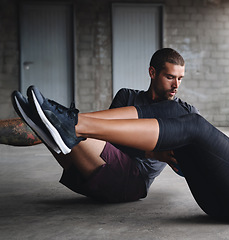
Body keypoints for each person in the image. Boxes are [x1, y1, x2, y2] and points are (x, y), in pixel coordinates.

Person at [12, 32, 229, 223]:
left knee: (191, 122)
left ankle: (71, 123)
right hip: (215, 199)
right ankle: (71, 123)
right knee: (175, 115)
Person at [8, 48, 197, 203]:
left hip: (132, 182)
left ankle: (52, 121)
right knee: (74, 136)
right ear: (152, 72)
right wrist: (151, 152)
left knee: (74, 131)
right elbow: (105, 137)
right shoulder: (127, 96)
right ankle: (44, 125)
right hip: (92, 171)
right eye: (170, 77)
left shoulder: (180, 111)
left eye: (180, 79)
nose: (176, 85)